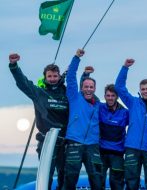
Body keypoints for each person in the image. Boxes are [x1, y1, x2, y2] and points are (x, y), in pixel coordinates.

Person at [9, 54, 68, 190]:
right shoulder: (39, 93)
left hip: (65, 141)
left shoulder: (67, 94)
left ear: (59, 77)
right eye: (49, 76)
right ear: (45, 78)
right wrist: (14, 66)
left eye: (55, 76)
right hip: (47, 142)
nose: (52, 79)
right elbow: (23, 83)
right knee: (46, 175)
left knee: (65, 176)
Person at [115, 59, 147, 190]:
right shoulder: (133, 102)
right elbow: (119, 87)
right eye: (143, 89)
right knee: (131, 181)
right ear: (140, 90)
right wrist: (125, 68)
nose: (145, 91)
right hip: (132, 147)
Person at [81, 68, 129, 190]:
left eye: (113, 95)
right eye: (108, 95)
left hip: (118, 154)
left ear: (117, 96)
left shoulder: (125, 113)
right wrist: (86, 74)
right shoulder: (99, 107)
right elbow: (85, 92)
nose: (110, 98)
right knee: (98, 182)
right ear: (104, 96)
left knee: (116, 183)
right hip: (101, 152)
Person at [63, 49, 103, 190]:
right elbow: (71, 77)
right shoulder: (74, 97)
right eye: (86, 87)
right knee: (70, 179)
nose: (88, 89)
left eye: (91, 87)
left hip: (93, 145)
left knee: (97, 179)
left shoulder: (98, 104)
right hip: (75, 142)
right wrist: (76, 58)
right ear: (81, 88)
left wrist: (86, 74)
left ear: (95, 88)